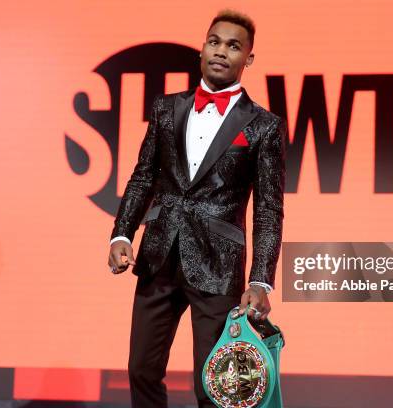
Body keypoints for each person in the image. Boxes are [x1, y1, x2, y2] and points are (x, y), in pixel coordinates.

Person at [107, 8, 286, 408]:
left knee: (214, 387)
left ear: (248, 59)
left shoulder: (264, 125)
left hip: (218, 266)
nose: (222, 51)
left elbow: (269, 210)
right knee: (141, 370)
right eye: (214, 41)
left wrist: (261, 280)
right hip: (158, 257)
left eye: (234, 46)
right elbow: (142, 176)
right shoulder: (166, 108)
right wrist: (122, 232)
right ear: (202, 48)